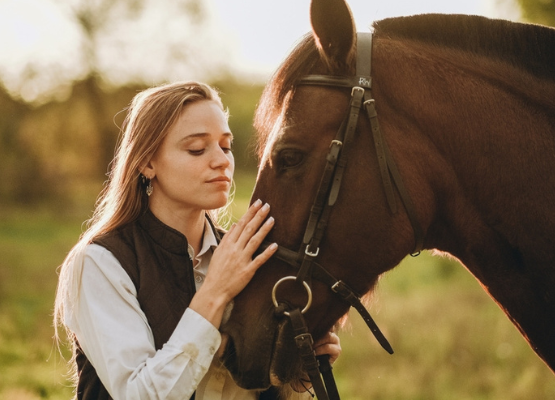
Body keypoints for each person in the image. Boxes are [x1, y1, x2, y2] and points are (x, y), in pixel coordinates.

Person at [53, 81, 341, 400]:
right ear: (148, 163)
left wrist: (296, 366)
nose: (221, 161)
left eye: (226, 146)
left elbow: (264, 390)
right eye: (197, 149)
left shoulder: (248, 258)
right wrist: (216, 290)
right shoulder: (101, 263)